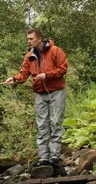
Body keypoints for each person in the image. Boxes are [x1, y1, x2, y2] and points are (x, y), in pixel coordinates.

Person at [5, 28, 68, 167]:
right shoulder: (29, 56)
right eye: (28, 39)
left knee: (56, 122)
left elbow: (63, 68)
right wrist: (14, 79)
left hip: (56, 91)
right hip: (39, 93)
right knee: (42, 125)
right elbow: (24, 74)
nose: (29, 41)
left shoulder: (56, 51)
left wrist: (47, 75)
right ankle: (44, 158)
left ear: (39, 39)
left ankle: (55, 157)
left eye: (31, 39)